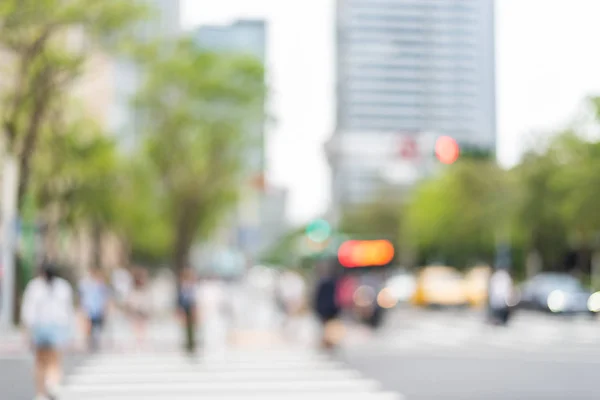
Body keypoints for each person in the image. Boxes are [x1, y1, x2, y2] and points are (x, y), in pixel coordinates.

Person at [21, 262, 75, 400]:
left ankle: (41, 392)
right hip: (55, 326)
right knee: (54, 359)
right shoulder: (63, 286)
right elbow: (68, 310)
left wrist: (26, 331)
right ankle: (52, 383)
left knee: (41, 361)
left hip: (41, 326)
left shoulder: (35, 286)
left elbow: (28, 311)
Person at [78, 268, 111, 352]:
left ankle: (95, 343)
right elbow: (82, 297)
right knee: (89, 327)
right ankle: (89, 343)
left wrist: (105, 308)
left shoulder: (101, 285)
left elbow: (105, 297)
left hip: (98, 309)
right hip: (89, 309)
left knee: (98, 327)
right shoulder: (85, 284)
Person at [313, 260, 342, 350]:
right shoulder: (332, 282)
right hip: (330, 308)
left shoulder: (325, 282)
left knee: (327, 326)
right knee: (328, 326)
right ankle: (328, 342)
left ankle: (329, 342)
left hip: (326, 308)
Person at [127, 267, 151, 349]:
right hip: (136, 310)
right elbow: (131, 299)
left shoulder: (145, 289)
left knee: (142, 326)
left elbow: (147, 299)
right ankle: (138, 341)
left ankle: (141, 342)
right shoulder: (134, 289)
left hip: (143, 310)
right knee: (136, 326)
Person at [177, 268, 198, 353]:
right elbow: (181, 299)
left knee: (192, 326)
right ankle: (188, 343)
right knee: (186, 326)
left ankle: (192, 343)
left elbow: (193, 299)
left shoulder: (192, 287)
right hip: (186, 307)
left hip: (191, 307)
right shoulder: (183, 286)